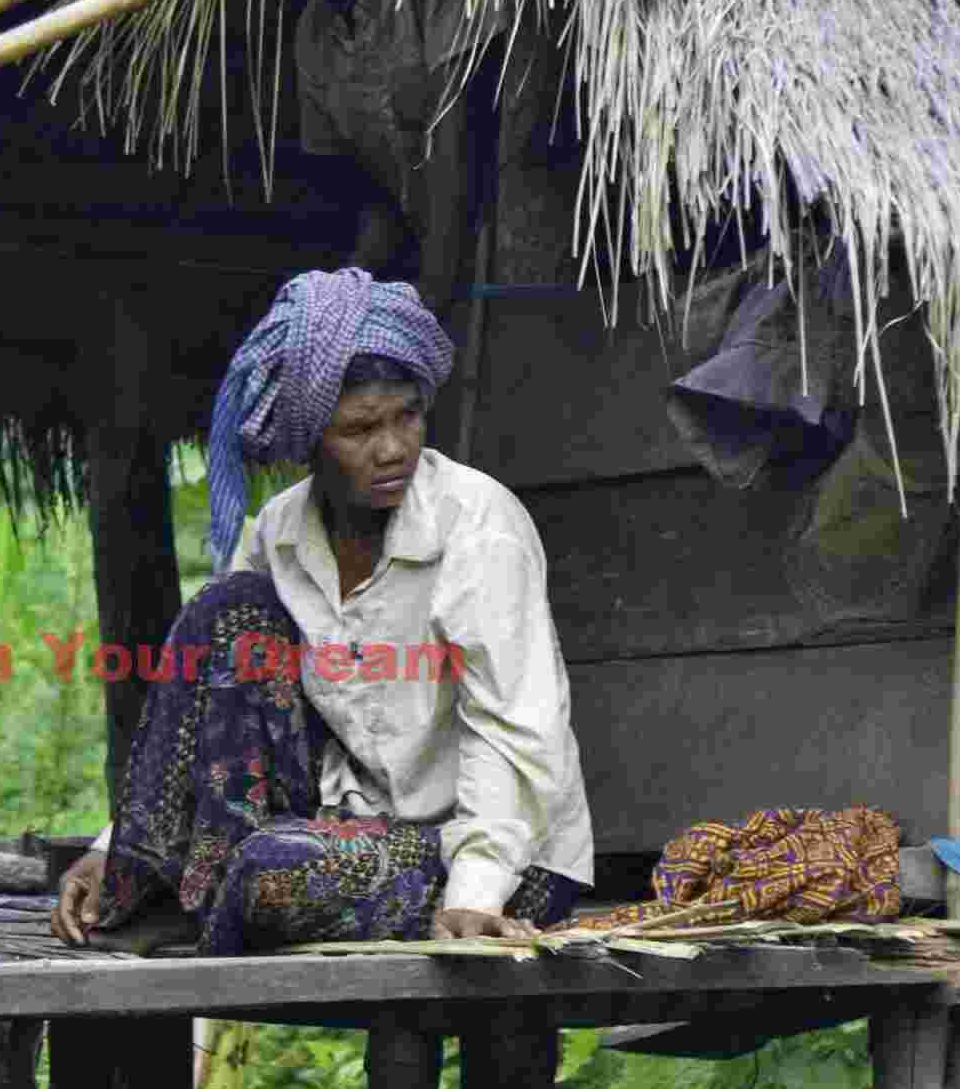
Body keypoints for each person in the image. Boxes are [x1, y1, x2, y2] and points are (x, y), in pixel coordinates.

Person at [50, 269, 593, 953]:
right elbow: (195, 704)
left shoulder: (478, 527)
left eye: (407, 415)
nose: (393, 447)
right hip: (357, 834)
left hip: (504, 856)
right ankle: (148, 886)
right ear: (310, 442)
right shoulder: (280, 532)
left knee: (266, 875)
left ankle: (206, 906)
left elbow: (516, 734)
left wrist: (476, 893)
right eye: (361, 428)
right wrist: (115, 848)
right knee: (225, 612)